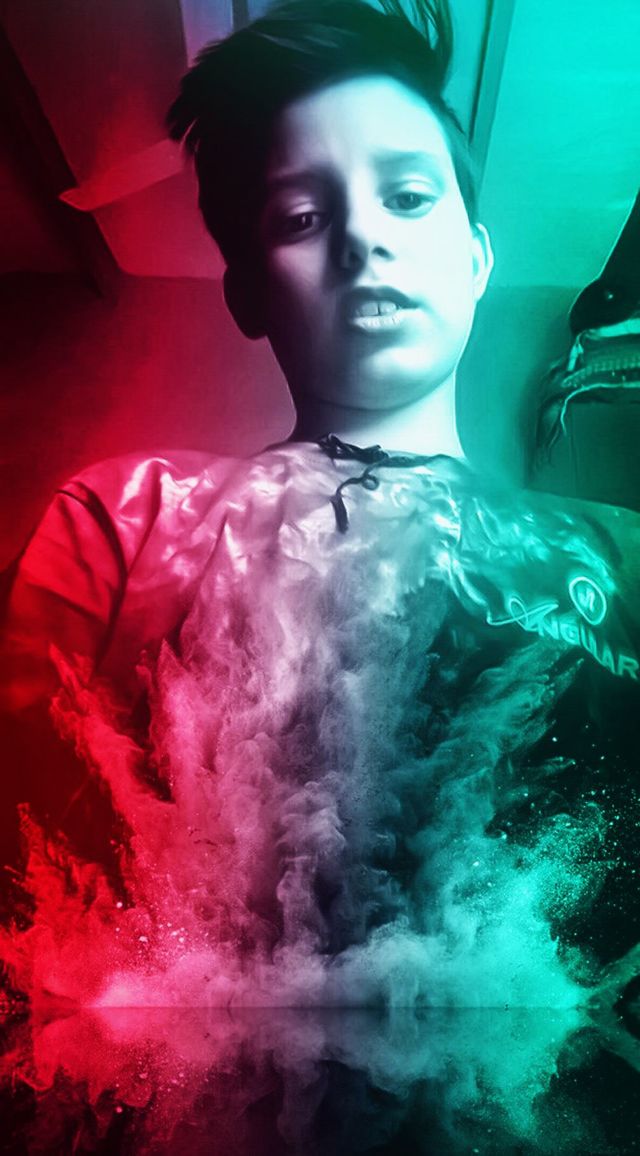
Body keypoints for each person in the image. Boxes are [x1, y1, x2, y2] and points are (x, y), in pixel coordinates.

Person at [1, 0, 639, 1005]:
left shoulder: (622, 557)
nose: (363, 238)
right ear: (249, 291)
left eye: (408, 197)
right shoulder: (122, 521)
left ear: (477, 257)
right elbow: (29, 906)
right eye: (301, 217)